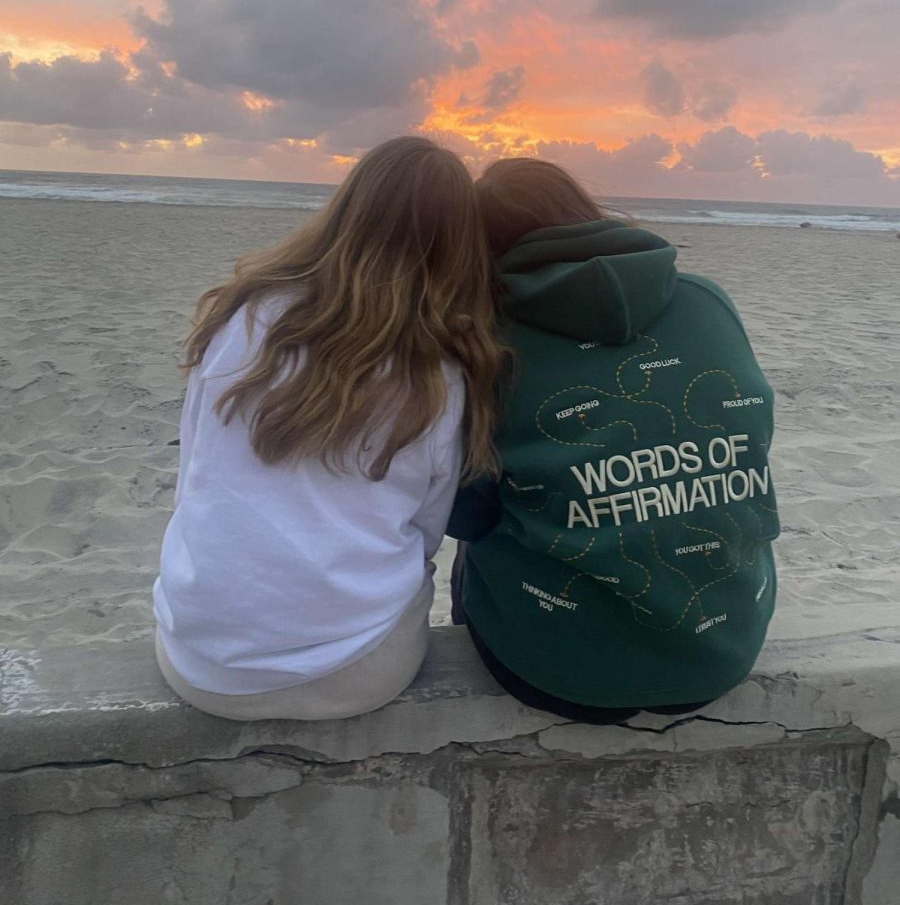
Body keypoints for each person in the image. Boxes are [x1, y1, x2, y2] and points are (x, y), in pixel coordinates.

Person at [153, 136, 502, 721]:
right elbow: (426, 531)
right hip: (357, 673)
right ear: (457, 246)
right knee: (407, 569)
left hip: (200, 665)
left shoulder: (243, 316)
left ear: (347, 207)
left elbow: (195, 466)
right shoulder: (439, 370)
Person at [448, 158, 779, 723]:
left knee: (476, 537)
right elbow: (751, 434)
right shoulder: (707, 300)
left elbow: (467, 514)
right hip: (723, 650)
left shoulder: (481, 334)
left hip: (556, 673)